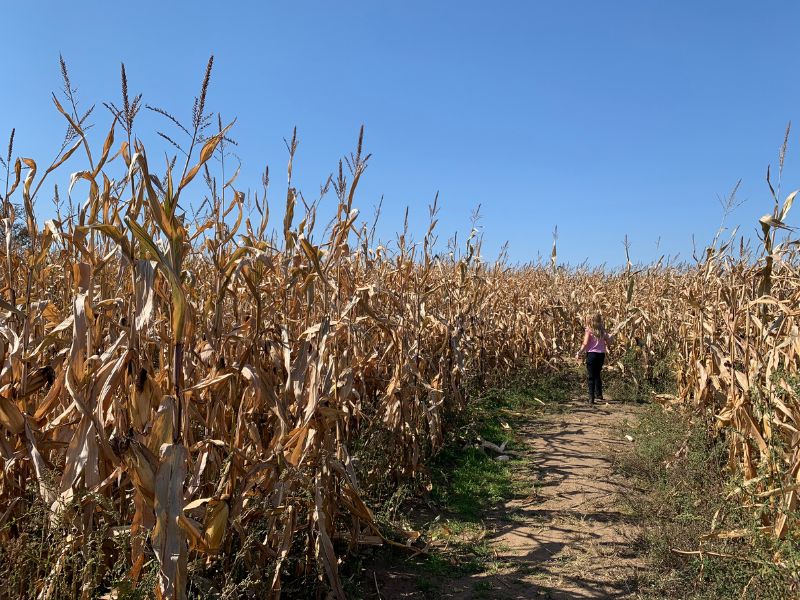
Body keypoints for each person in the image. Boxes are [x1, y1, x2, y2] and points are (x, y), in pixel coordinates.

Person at [574, 313, 613, 405]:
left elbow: (585, 343)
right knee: (597, 374)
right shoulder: (603, 331)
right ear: (600, 321)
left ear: (591, 321)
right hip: (601, 355)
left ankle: (591, 398)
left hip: (591, 355)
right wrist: (611, 337)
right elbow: (609, 342)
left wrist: (579, 352)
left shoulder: (589, 331)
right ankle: (599, 394)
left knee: (591, 376)